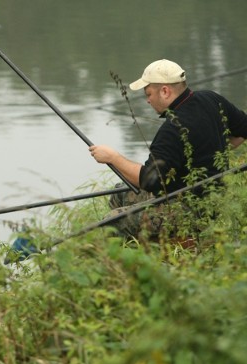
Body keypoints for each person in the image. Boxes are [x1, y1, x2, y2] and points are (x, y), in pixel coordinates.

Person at [89, 59, 247, 239]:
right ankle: (141, 247)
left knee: (111, 221)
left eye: (148, 94)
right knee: (120, 192)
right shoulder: (211, 98)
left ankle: (135, 258)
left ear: (165, 91)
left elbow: (148, 181)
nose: (147, 100)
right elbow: (244, 128)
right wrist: (216, 149)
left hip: (191, 210)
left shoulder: (173, 129)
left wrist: (112, 158)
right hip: (214, 198)